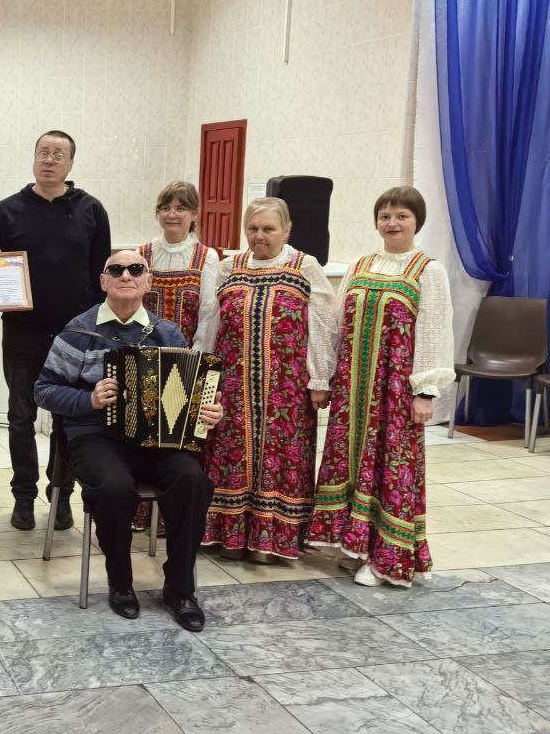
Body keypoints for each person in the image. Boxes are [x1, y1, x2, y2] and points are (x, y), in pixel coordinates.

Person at [34, 249, 224, 631]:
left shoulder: (167, 333)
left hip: (156, 441)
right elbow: (44, 390)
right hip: (95, 437)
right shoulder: (78, 332)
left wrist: (208, 412)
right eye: (116, 269)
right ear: (103, 281)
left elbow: (189, 396)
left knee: (192, 480)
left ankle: (180, 589)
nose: (126, 275)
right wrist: (88, 399)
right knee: (114, 486)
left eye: (136, 269)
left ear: (148, 282)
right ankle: (120, 583)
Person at [308, 187, 453, 587]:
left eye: (402, 216)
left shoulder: (428, 270)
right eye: (385, 216)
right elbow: (336, 324)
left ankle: (385, 559)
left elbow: (434, 332)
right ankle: (353, 544)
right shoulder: (361, 264)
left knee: (392, 469)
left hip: (395, 394)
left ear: (417, 221)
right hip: (352, 392)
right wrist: (323, 377)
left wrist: (425, 391)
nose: (392, 223)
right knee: (350, 463)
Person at [0, 131, 111, 533]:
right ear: (34, 158)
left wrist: (97, 331)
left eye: (58, 154)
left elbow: (102, 276)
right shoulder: (7, 210)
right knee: (21, 416)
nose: (49, 160)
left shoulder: (91, 209)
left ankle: (61, 494)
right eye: (43, 153)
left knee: (66, 418)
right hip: (21, 333)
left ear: (70, 164)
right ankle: (23, 496)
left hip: (74, 338)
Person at [195, 197, 338, 564]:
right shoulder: (229, 268)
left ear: (287, 230)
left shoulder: (305, 267)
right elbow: (210, 322)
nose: (260, 236)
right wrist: (201, 371)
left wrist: (320, 379)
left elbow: (323, 327)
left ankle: (273, 541)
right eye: (253, 228)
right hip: (232, 388)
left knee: (282, 458)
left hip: (287, 391)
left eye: (269, 229)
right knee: (231, 456)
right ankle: (228, 535)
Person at [133, 180, 220, 535]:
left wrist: (196, 362)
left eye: (181, 208)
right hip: (146, 362)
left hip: (187, 361)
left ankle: (173, 516)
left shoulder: (207, 257)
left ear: (194, 214)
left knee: (181, 440)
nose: (172, 214)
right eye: (166, 208)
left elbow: (209, 313)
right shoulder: (142, 253)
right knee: (144, 434)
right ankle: (140, 513)